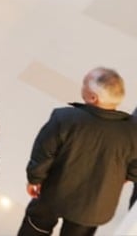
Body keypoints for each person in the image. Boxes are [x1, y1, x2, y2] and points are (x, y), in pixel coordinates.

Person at [19, 67, 137, 236]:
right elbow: (134, 170)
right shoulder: (132, 132)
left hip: (52, 196)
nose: (81, 85)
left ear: (93, 98)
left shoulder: (64, 118)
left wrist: (34, 179)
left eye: (84, 83)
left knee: (36, 227)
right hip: (93, 210)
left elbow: (43, 154)